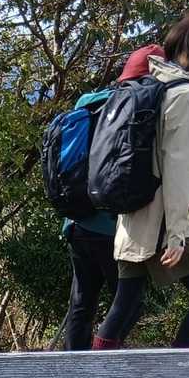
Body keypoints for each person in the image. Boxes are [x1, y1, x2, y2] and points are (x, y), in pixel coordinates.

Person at [92, 9, 189, 351]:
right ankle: (177, 372)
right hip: (163, 221)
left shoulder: (154, 81)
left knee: (125, 303)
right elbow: (181, 169)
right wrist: (178, 234)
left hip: (133, 215)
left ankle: (93, 374)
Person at [63, 44, 163, 350]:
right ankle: (102, 362)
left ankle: (74, 369)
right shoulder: (144, 108)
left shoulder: (88, 100)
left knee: (82, 302)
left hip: (76, 219)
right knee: (129, 302)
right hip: (114, 225)